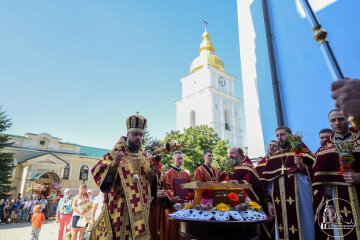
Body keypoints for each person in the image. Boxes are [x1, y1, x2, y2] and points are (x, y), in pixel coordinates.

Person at [91, 114, 157, 240]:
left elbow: (149, 182)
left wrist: (153, 175)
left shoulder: (145, 158)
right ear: (128, 134)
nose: (138, 138)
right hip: (120, 208)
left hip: (141, 211)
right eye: (135, 135)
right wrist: (114, 165)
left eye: (141, 135)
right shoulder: (114, 154)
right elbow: (97, 171)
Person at [260, 126, 315, 240]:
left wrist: (302, 166)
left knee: (304, 222)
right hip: (279, 200)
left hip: (301, 196)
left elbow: (315, 172)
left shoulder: (302, 152)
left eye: (283, 134)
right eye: (278, 135)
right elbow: (269, 182)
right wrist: (269, 203)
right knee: (282, 226)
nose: (280, 138)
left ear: (290, 135)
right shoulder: (274, 157)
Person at [313, 109, 360, 239]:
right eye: (333, 120)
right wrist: (329, 206)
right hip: (339, 200)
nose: (337, 123)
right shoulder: (324, 150)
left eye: (341, 119)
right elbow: (323, 184)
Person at [219, 147, 268, 239]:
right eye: (229, 153)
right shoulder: (228, 169)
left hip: (243, 206)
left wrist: (237, 183)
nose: (230, 155)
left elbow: (251, 184)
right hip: (227, 206)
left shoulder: (247, 168)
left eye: (233, 153)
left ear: (240, 155)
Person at [163, 151, 191, 240]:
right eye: (178, 158)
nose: (181, 160)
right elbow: (166, 187)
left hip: (184, 205)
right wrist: (172, 197)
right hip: (173, 206)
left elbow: (189, 187)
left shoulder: (186, 174)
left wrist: (189, 196)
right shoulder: (168, 173)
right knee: (172, 228)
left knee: (184, 229)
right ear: (173, 159)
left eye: (182, 158)